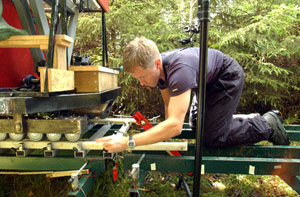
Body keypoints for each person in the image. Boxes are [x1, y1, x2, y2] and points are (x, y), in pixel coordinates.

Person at [96, 36, 290, 152]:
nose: (142, 83)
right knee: (195, 125)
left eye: (143, 77)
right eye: (138, 79)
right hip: (207, 82)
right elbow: (169, 109)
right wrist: (164, 137)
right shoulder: (160, 71)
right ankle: (232, 120)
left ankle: (266, 125)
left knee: (212, 137)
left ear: (156, 63)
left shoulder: (179, 71)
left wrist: (128, 142)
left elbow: (175, 126)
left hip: (226, 77)